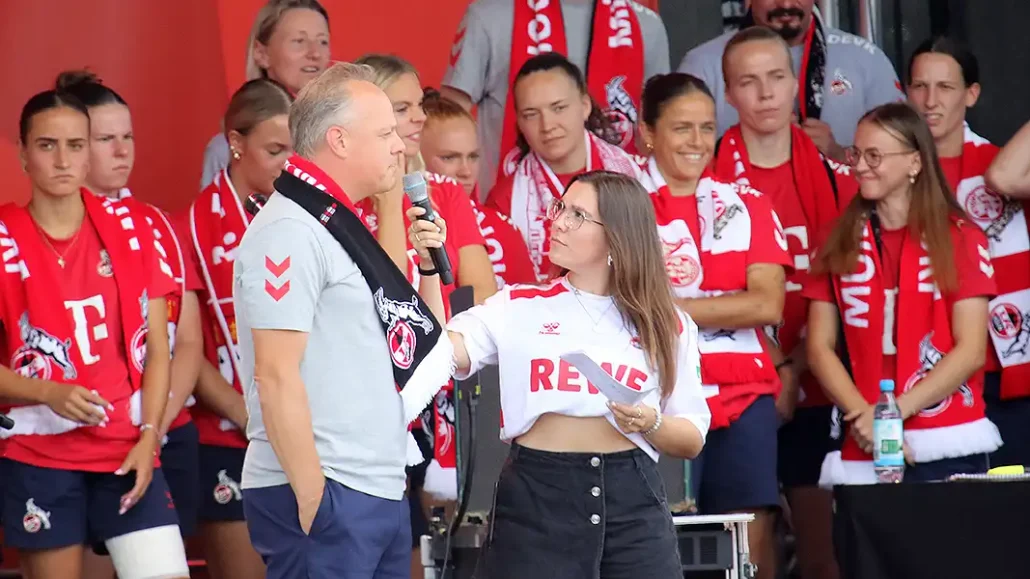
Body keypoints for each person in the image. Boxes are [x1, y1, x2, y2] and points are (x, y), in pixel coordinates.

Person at [407, 170, 710, 578]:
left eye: (579, 215)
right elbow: (436, 353)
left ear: (618, 236)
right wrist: (429, 271)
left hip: (633, 496)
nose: (560, 221)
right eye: (560, 208)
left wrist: (650, 422)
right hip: (537, 493)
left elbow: (692, 437)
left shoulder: (667, 322)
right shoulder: (519, 304)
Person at [234, 61, 454, 579]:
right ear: (339, 140)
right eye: (384, 134)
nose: (400, 146)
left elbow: (405, 341)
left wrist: (426, 266)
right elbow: (276, 373)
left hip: (375, 485)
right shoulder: (290, 228)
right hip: (327, 490)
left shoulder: (337, 224)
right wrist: (314, 497)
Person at [0, 90, 188, 579]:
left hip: (127, 449)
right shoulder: (3, 235)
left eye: (76, 145)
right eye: (46, 145)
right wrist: (47, 391)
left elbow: (158, 347)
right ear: (21, 153)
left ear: (89, 153)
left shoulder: (135, 228)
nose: (63, 160)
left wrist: (151, 435)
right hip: (38, 453)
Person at [709, 27, 858, 579]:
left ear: (795, 84)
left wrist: (793, 367)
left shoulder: (839, 182)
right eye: (749, 82)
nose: (766, 93)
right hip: (732, 383)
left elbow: (846, 292)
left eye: (776, 78)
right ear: (729, 94)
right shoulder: (708, 179)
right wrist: (773, 367)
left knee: (822, 553)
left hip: (817, 379)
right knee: (747, 547)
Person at [637, 70, 793, 579]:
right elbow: (609, 302)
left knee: (749, 531)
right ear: (648, 133)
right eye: (682, 128)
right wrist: (723, 302)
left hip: (744, 392)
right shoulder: (619, 204)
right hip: (654, 395)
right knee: (659, 535)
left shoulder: (747, 203)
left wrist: (666, 306)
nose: (698, 142)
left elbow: (767, 305)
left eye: (707, 128)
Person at [55, 69, 205, 578]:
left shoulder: (159, 222)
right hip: (84, 437)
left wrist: (154, 426)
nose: (121, 151)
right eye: (104, 139)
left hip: (164, 430)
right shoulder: (47, 231)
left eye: (128, 137)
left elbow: (186, 341)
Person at [806, 102, 1002, 485]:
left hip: (946, 434)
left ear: (914, 163)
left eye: (875, 155)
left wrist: (891, 417)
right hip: (860, 435)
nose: (861, 165)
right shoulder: (837, 238)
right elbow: (818, 347)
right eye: (856, 154)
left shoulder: (961, 236)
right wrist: (869, 420)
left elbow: (971, 349)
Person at [183, 78, 292, 579]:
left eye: (294, 149)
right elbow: (187, 347)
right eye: (275, 150)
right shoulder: (190, 224)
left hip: (302, 432)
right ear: (235, 143)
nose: (288, 163)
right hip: (230, 436)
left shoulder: (303, 217)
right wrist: (250, 418)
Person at [908, 38, 1030, 470]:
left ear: (972, 94)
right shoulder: (891, 175)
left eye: (945, 87)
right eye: (920, 86)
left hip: (1008, 372)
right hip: (925, 374)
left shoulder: (1000, 166)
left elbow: (1005, 175)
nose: (931, 100)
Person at [441, 0, 670, 192]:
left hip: (618, 214)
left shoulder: (645, 25)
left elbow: (658, 130)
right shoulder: (489, 16)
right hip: (508, 212)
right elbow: (445, 121)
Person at [486, 53, 645, 282]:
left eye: (558, 108)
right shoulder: (505, 200)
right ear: (519, 123)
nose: (547, 125)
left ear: (584, 106)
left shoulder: (635, 175)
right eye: (531, 114)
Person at [678, 0, 904, 158]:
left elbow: (904, 153)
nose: (785, 4)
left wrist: (840, 154)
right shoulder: (702, 64)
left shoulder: (866, 58)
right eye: (748, 81)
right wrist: (745, 148)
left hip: (841, 219)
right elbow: (678, 155)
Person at [200, 0, 330, 187]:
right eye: (299, 41)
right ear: (262, 54)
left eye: (323, 41)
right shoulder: (225, 148)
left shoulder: (341, 136)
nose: (315, 53)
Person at [421, 88, 537, 288]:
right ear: (416, 158)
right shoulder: (391, 222)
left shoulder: (505, 230)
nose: (466, 171)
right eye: (449, 157)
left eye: (473, 156)